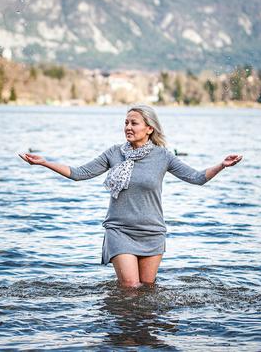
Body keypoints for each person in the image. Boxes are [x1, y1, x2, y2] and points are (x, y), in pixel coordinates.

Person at [19, 104, 242, 288]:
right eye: (126, 122)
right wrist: (45, 162)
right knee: (130, 288)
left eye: (134, 123)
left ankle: (142, 335)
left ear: (149, 129)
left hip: (152, 233)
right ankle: (122, 337)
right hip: (119, 231)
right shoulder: (114, 153)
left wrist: (222, 165)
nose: (128, 127)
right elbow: (79, 174)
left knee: (147, 291)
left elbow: (197, 177)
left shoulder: (163, 156)